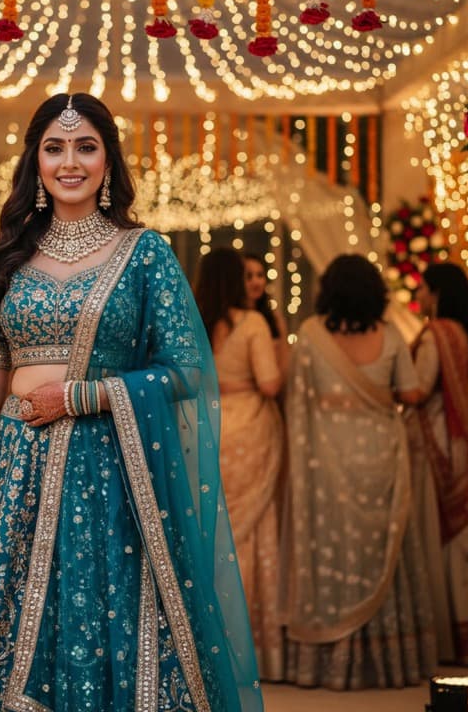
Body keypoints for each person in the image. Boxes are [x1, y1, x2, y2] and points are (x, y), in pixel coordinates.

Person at [0, 93, 262, 711]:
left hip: (111, 468)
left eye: (86, 146)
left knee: (105, 608)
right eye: (55, 147)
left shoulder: (144, 253)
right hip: (16, 469)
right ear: (35, 161)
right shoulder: (5, 256)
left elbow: (186, 372)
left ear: (108, 160)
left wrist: (82, 395)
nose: (71, 161)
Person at [282, 254, 436, 689]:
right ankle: (388, 663)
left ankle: (329, 662)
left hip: (325, 460)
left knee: (334, 551)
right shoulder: (389, 337)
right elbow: (409, 392)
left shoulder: (311, 335)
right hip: (380, 456)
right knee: (381, 549)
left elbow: (296, 397)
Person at [195, 247, 284, 681]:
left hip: (206, 428)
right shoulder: (252, 323)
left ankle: (208, 645)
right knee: (250, 533)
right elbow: (270, 382)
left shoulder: (193, 322)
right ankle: (254, 648)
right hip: (249, 424)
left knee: (212, 531)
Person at [406, 263, 468, 665]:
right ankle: (466, 637)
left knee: (440, 536)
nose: (420, 296)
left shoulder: (435, 334)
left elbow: (418, 389)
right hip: (460, 441)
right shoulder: (464, 331)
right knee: (461, 543)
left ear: (437, 293)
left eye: (424, 289)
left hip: (436, 442)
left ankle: (448, 636)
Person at [243, 252, 288, 376]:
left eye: (260, 275)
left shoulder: (274, 318)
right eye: (249, 276)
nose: (256, 282)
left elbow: (284, 362)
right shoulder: (234, 319)